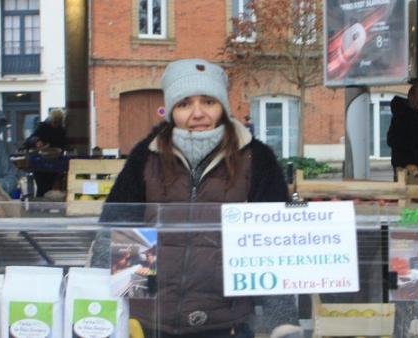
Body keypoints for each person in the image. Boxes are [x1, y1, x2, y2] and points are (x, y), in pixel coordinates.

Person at [101, 59, 294, 338]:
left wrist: (282, 321)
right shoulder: (146, 155)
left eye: (208, 102)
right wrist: (104, 304)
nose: (198, 113)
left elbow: (276, 242)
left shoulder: (256, 157)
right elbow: (117, 228)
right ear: (171, 111)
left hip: (226, 321)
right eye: (184, 104)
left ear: (223, 108)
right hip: (150, 321)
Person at [386, 83, 418, 174]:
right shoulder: (401, 115)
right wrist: (414, 149)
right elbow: (391, 140)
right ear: (411, 96)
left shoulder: (417, 115)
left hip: (417, 168)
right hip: (405, 169)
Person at [24, 109, 67, 197]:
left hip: (54, 164)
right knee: (42, 188)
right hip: (41, 163)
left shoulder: (61, 130)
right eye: (54, 122)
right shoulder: (43, 127)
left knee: (50, 188)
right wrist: (37, 141)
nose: (55, 125)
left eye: (58, 123)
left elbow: (63, 146)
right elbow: (28, 142)